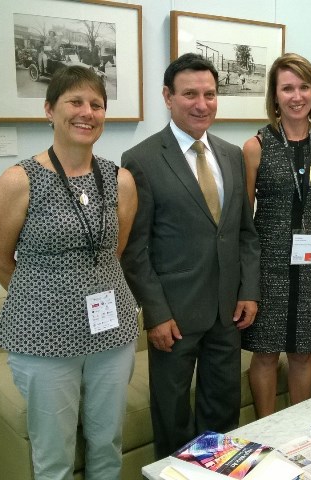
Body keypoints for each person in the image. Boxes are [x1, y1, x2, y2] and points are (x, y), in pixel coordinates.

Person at [0, 65, 139, 479]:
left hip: (111, 332)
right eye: (75, 102)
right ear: (49, 110)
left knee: (107, 444)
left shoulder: (120, 180)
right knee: (54, 455)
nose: (86, 112)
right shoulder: (18, 181)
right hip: (42, 338)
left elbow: (113, 252)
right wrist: (46, 299)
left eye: (96, 104)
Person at [120, 53, 261, 459]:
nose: (202, 104)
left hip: (227, 312)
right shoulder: (141, 160)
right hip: (174, 318)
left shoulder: (232, 154)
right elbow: (135, 250)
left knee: (223, 410)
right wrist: (156, 314)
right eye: (190, 94)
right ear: (168, 96)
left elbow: (245, 234)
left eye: (210, 94)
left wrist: (249, 291)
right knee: (173, 415)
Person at [241, 53, 311, 418]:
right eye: (287, 88)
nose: (296, 96)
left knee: (303, 352)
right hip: (268, 268)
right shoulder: (255, 147)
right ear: (275, 96)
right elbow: (244, 221)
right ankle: (265, 430)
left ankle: (298, 430)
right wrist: (246, 281)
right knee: (266, 353)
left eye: (303, 87)